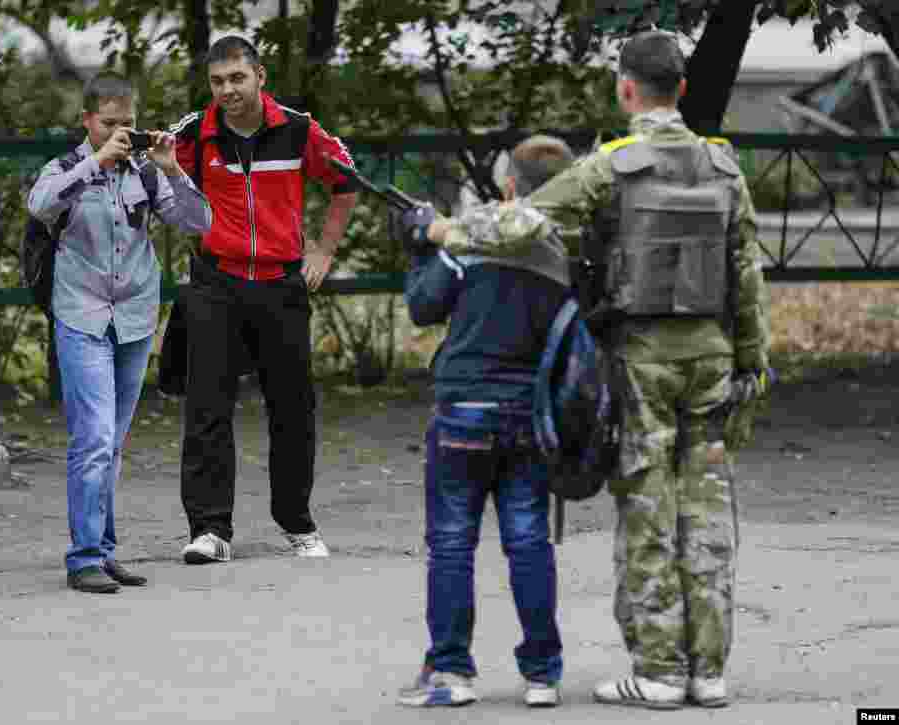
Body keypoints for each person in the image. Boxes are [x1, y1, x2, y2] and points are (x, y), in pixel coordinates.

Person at [431, 32, 771, 709]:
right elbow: (748, 275)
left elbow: (525, 224)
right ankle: (709, 670)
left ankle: (659, 671)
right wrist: (752, 364)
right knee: (706, 512)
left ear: (625, 88)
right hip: (711, 358)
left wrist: (449, 233)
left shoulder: (613, 167)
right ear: (680, 86)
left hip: (642, 360)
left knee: (648, 507)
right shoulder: (723, 168)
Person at [395, 135, 574, 708]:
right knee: (528, 538)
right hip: (529, 409)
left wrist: (420, 243)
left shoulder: (469, 240)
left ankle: (450, 670)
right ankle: (542, 672)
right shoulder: (563, 250)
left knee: (451, 542)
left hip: (464, 408)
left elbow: (425, 306)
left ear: (509, 186)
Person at [170, 35, 358, 563]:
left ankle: (297, 523)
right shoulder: (194, 134)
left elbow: (347, 182)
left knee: (292, 409)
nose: (227, 90)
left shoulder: (299, 130)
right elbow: (152, 181)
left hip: (280, 283)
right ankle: (209, 531)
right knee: (207, 407)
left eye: (237, 78)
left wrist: (322, 249)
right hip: (215, 281)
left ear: (260, 76)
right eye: (217, 81)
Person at [28, 73, 212, 594]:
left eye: (127, 124)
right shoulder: (66, 168)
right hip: (81, 313)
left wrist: (172, 168)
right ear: (87, 121)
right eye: (109, 123)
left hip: (133, 316)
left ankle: (104, 554)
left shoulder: (146, 174)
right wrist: (97, 162)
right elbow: (40, 205)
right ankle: (82, 555)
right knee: (94, 439)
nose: (120, 133)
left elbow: (200, 222)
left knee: (113, 445)